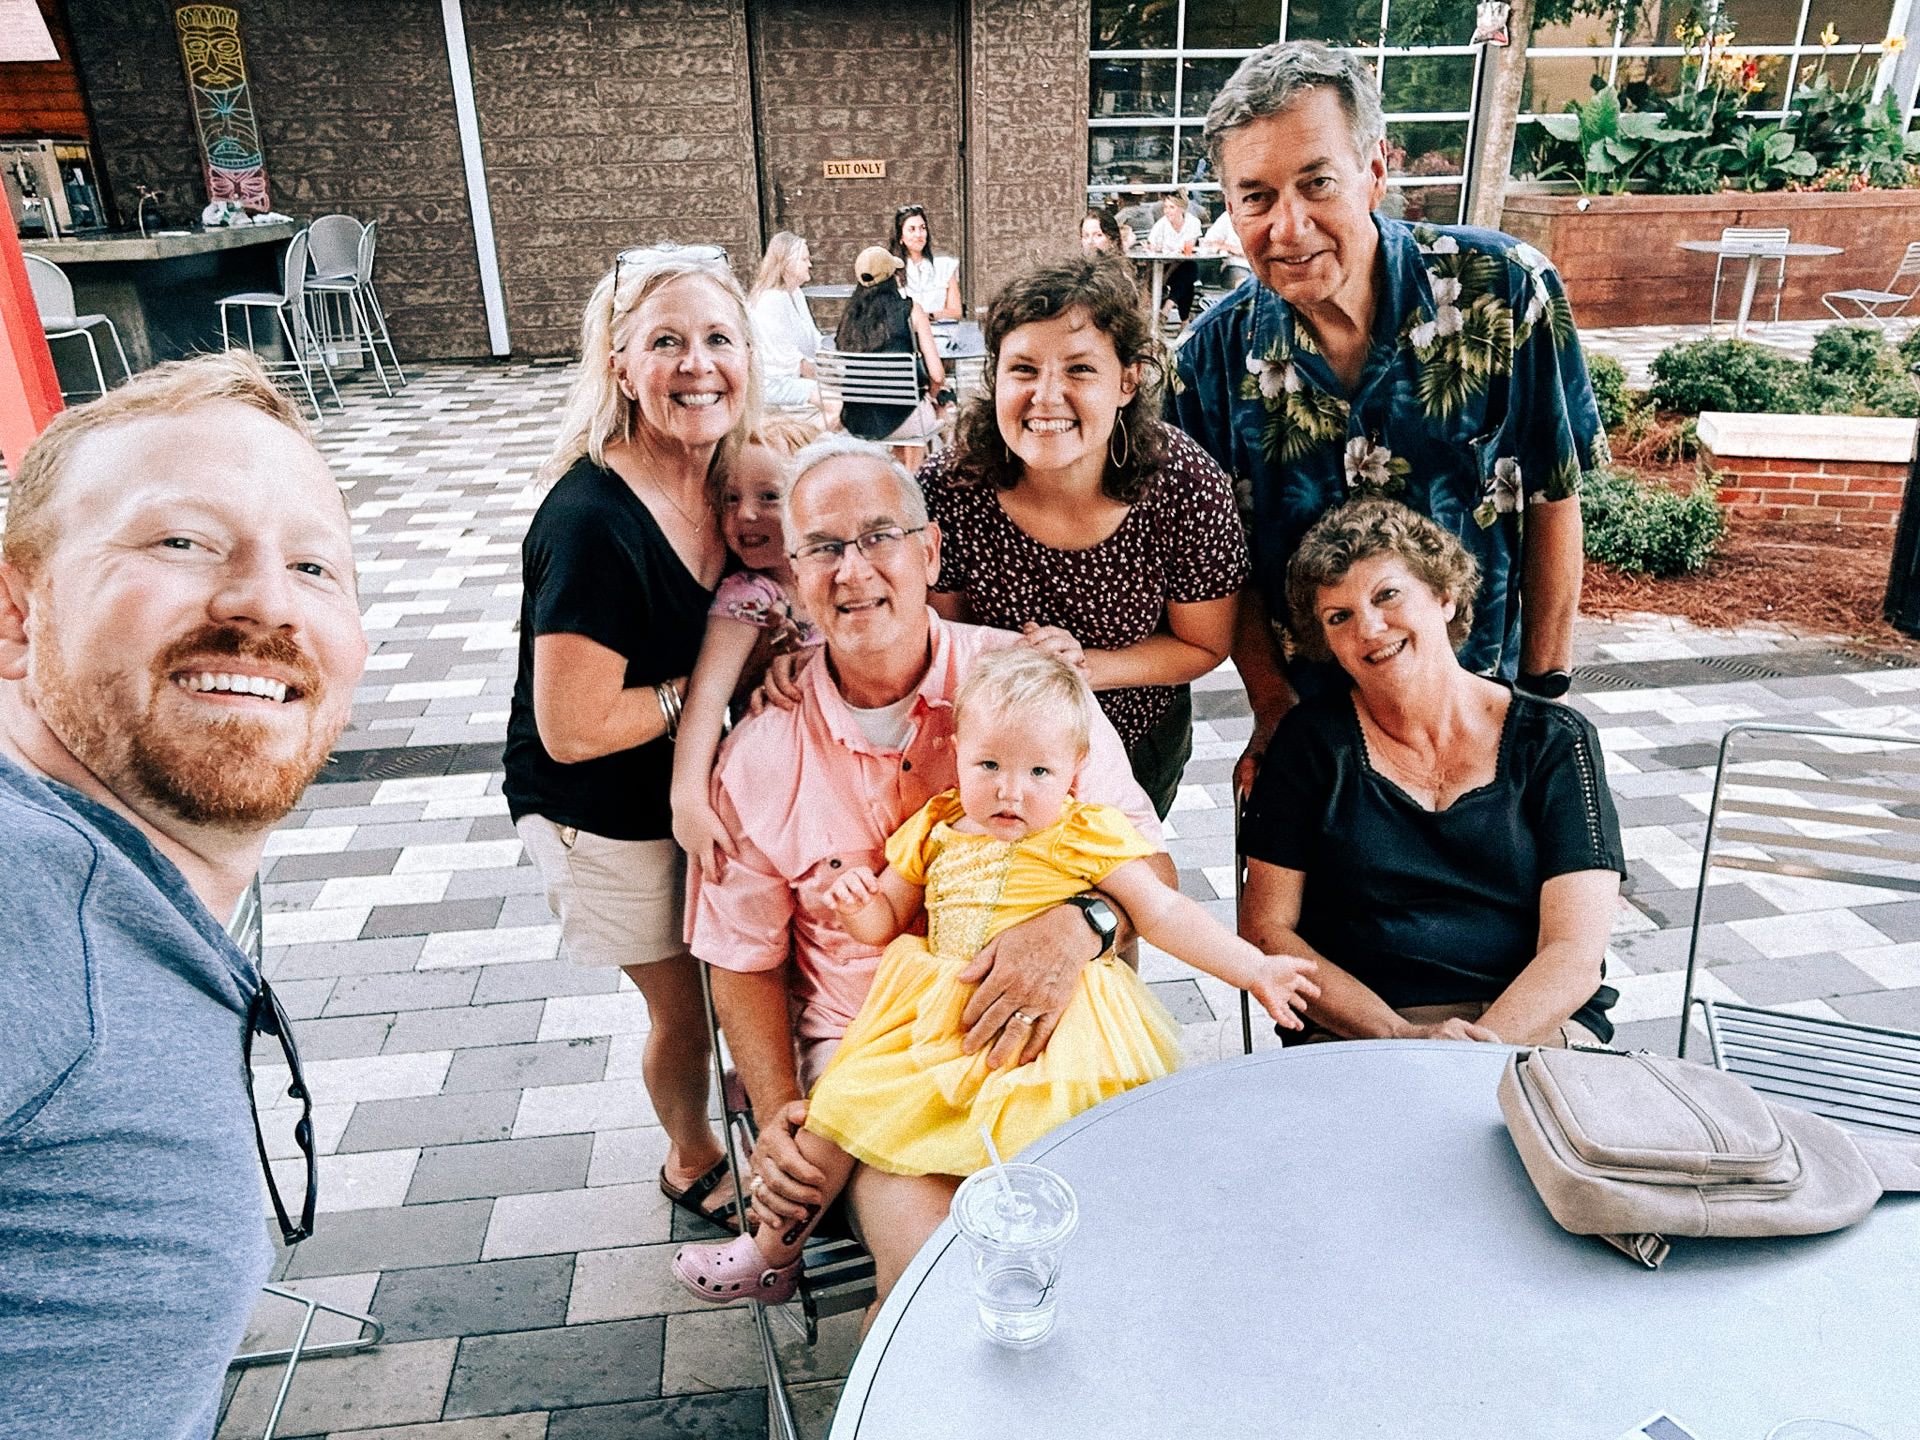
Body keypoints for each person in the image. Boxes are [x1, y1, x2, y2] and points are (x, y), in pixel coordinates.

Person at [671, 647, 1318, 1303]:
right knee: (840, 1109)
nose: (1011, 790)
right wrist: (855, 904)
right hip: (936, 1014)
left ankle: (1086, 1274)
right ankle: (771, 1253)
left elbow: (1164, 909)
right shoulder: (939, 825)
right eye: (989, 765)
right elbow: (888, 916)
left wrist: (1254, 967)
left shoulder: (1082, 833)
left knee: (1053, 1142)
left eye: (1039, 770)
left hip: (1057, 1029)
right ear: (956, 751)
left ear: (1074, 770)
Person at [687, 434, 1172, 1307]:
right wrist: (778, 1112)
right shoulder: (760, 752)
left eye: (879, 536)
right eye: (824, 549)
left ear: (930, 550)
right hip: (874, 1053)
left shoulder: (1025, 690)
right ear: (795, 576)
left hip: (1039, 1031)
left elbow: (1154, 870)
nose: (854, 569)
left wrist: (1079, 926)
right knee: (931, 1285)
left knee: (1106, 1263)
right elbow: (741, 956)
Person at [0, 352, 369, 1437]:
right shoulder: (20, 893)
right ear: (17, 616)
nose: (264, 599)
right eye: (182, 541)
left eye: (315, 566)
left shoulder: (115, 895)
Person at [1170, 41, 1602, 790]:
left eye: (1317, 183)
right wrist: (1273, 712)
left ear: (1375, 171)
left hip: (1484, 716)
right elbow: (1220, 566)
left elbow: (1554, 498)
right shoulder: (1206, 362)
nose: (1289, 226)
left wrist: (1543, 697)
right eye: (1257, 197)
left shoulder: (1506, 292)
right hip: (1320, 745)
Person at [505, 245, 760, 1238]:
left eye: (715, 339)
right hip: (602, 814)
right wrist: (705, 686)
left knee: (739, 983)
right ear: (619, 365)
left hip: (696, 792)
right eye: (666, 343)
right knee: (686, 1008)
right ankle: (691, 1159)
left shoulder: (727, 476)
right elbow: (573, 731)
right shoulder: (591, 520)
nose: (696, 364)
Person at [1238, 498, 1623, 1047]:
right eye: (1338, 617)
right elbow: (1266, 928)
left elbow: (1576, 953)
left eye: (1387, 595)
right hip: (1362, 1029)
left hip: (1531, 1021)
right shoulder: (1309, 744)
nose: (1369, 628)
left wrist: (1473, 1049)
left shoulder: (1555, 741)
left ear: (1444, 596)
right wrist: (1397, 1034)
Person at [922, 254, 1248, 818]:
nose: (1047, 396)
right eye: (1023, 369)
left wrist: (1082, 665)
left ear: (1128, 380)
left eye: (1079, 370)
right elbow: (942, 636)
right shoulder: (949, 489)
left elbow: (1204, 644)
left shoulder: (1185, 487)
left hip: (1133, 741)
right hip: (992, 759)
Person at [671, 418, 823, 878]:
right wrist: (688, 801)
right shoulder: (750, 595)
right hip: (768, 789)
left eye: (769, 497)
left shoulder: (834, 583)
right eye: (730, 498)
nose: (746, 514)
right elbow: (707, 695)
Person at [836, 245, 946, 468]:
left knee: (911, 411)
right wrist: (933, 397)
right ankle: (915, 478)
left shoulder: (850, 317)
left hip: (859, 420)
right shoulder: (911, 309)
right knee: (943, 403)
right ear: (892, 277)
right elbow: (937, 375)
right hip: (907, 419)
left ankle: (899, 479)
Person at [747, 231, 824, 414]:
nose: (810, 264)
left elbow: (816, 341)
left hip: (796, 378)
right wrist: (838, 380)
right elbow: (798, 364)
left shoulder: (796, 293)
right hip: (774, 383)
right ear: (787, 263)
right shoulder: (771, 301)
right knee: (836, 399)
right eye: (804, 260)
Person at [891, 203, 962, 320]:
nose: (918, 235)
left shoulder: (944, 266)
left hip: (941, 333)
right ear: (901, 237)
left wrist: (929, 316)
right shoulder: (892, 269)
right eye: (912, 229)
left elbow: (956, 311)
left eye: (922, 228)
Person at [1145, 190, 1203, 322]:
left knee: (1189, 268)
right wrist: (1155, 248)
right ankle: (1184, 322)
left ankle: (1165, 311)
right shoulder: (1161, 224)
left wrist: (1169, 251)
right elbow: (1152, 245)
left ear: (1181, 209)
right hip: (1164, 267)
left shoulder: (1193, 223)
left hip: (1182, 265)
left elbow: (1187, 250)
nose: (1167, 211)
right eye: (1165, 207)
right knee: (1188, 278)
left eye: (1172, 207)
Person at [1200, 206, 1252, 292]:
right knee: (1244, 285)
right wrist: (1230, 248)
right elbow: (1207, 242)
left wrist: (1241, 251)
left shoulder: (1267, 216)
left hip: (1264, 269)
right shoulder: (1228, 217)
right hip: (1236, 267)